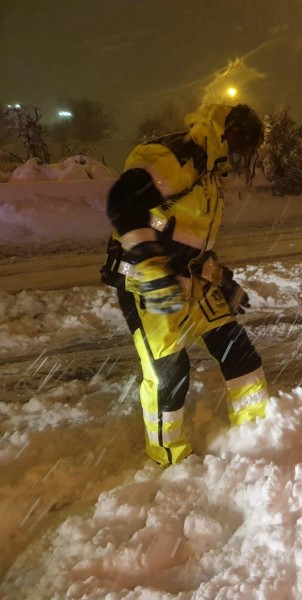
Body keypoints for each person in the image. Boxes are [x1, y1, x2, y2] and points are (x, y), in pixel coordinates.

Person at [101, 104, 268, 466]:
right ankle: (169, 459)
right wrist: (149, 268)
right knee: (170, 374)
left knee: (239, 353)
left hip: (192, 282)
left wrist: (222, 280)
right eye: (241, 144)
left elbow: (188, 240)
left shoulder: (210, 172)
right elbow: (124, 200)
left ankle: (257, 436)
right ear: (228, 131)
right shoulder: (182, 155)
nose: (242, 156)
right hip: (147, 283)